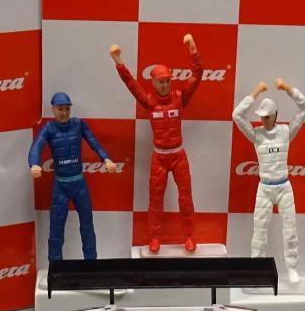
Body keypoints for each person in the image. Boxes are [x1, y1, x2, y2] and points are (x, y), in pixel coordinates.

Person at [109, 34, 201, 254]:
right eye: (161, 81)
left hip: (178, 156)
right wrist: (118, 61)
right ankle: (155, 237)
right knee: (155, 200)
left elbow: (197, 76)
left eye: (168, 80)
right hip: (159, 157)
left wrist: (193, 49)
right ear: (153, 83)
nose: (165, 84)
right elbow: (131, 84)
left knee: (186, 198)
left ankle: (189, 236)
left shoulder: (180, 97)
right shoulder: (149, 101)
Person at [232, 78, 305, 285]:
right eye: (262, 117)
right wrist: (256, 91)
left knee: (290, 229)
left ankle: (292, 268)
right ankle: (256, 270)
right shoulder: (256, 134)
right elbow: (236, 115)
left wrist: (287, 88)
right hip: (265, 188)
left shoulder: (286, 132)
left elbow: (304, 108)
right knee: (259, 230)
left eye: (267, 117)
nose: (264, 120)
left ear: (275, 115)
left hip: (284, 187)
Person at [28, 92, 117, 262]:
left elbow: (94, 142)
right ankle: (56, 268)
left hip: (79, 184)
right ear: (53, 109)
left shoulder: (78, 124)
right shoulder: (49, 128)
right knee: (56, 229)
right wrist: (34, 163)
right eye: (60, 109)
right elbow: (36, 146)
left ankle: (91, 265)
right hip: (60, 186)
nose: (64, 113)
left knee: (87, 226)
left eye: (67, 109)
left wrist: (106, 159)